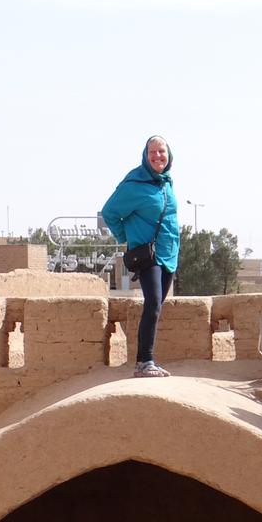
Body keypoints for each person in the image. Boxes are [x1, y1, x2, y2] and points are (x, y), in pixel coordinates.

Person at [102, 135, 179, 378]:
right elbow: (110, 212)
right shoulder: (134, 183)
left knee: (157, 306)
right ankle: (144, 362)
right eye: (152, 152)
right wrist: (127, 236)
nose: (158, 156)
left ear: (169, 155)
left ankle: (148, 361)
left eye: (162, 151)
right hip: (147, 255)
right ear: (145, 157)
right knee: (153, 303)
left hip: (168, 253)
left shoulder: (166, 183)